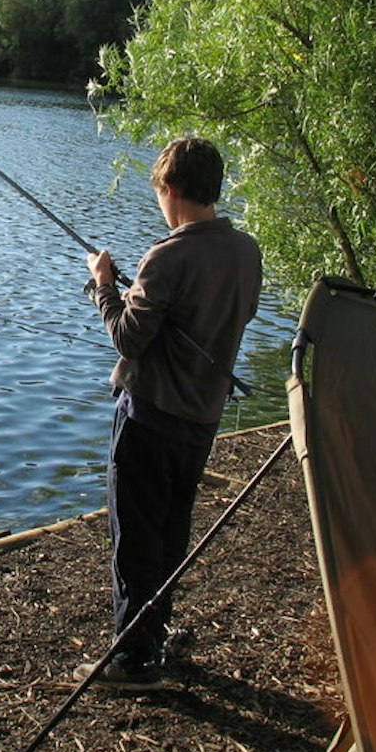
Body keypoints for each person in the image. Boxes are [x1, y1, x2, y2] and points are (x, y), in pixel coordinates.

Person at [81, 137, 262, 692]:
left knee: (134, 537)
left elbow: (129, 340)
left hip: (150, 417)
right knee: (170, 531)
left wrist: (105, 288)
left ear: (173, 190)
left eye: (160, 191)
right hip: (201, 420)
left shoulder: (168, 255)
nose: (159, 201)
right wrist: (146, 297)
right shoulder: (245, 251)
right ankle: (153, 634)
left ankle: (134, 660)